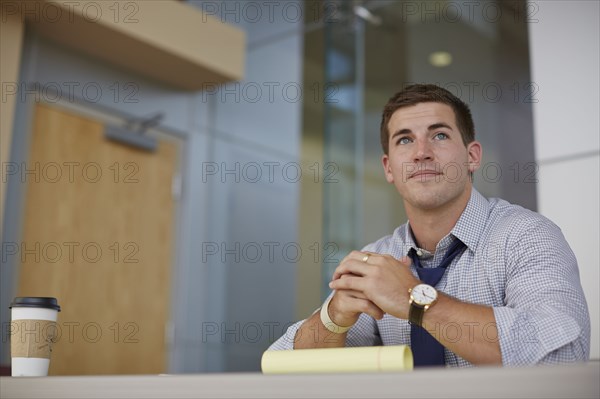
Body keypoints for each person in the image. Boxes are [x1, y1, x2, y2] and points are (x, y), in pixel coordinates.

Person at [268, 84, 590, 367]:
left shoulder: (528, 237)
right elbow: (282, 365)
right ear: (389, 168)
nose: (422, 153)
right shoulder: (379, 260)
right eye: (405, 140)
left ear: (472, 156)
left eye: (439, 135)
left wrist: (414, 298)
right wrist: (333, 317)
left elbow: (563, 355)